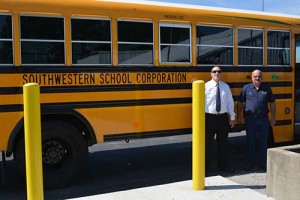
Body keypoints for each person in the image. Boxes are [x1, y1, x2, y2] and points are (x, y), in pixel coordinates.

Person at [237, 69, 276, 171]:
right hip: (250, 119)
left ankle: (263, 165)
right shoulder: (246, 88)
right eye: (255, 76)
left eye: (259, 76)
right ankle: (249, 164)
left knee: (263, 142)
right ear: (251, 77)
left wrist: (273, 117)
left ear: (262, 77)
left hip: (263, 119)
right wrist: (239, 115)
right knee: (251, 142)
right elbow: (240, 102)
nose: (257, 78)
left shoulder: (267, 88)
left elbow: (272, 103)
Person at [205, 66, 235, 173]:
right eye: (214, 71)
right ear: (211, 74)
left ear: (221, 74)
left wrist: (232, 117)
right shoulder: (205, 86)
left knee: (223, 143)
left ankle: (223, 166)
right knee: (207, 144)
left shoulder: (225, 87)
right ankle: (206, 168)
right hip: (209, 118)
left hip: (222, 117)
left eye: (219, 71)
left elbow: (230, 103)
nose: (217, 73)